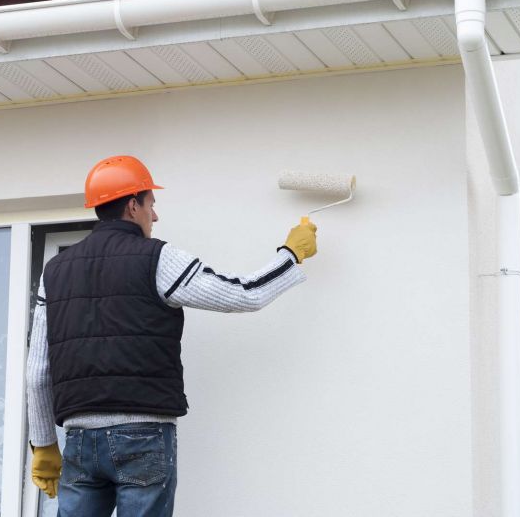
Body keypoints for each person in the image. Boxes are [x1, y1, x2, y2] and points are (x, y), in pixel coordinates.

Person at [26, 155, 317, 516]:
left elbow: (38, 371)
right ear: (133, 205)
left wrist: (42, 444)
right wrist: (291, 255)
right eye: (152, 204)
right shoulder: (157, 259)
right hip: (142, 437)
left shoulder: (54, 271)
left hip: (79, 441)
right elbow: (244, 294)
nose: (156, 215)